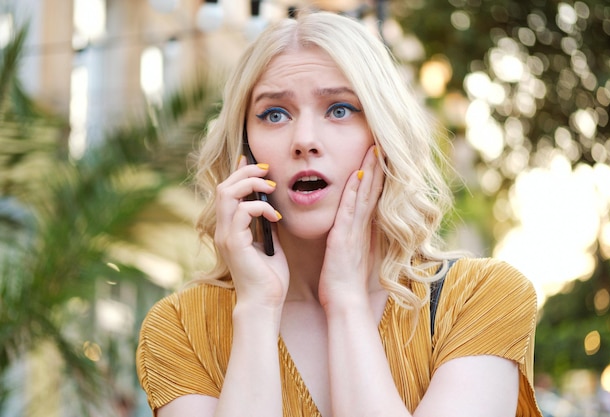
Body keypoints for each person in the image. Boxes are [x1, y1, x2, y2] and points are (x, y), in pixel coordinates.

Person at [136, 10, 543, 417]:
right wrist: (258, 308)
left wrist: (346, 300)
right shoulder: (180, 329)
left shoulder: (481, 299)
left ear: (383, 134)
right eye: (274, 114)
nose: (305, 141)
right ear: (243, 149)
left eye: (340, 109)